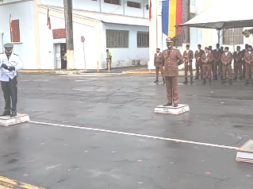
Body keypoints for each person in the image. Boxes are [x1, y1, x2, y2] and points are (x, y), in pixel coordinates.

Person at [0, 43, 23, 117]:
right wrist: (1, 65)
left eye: (10, 49)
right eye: (7, 49)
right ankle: (7, 110)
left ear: (12, 49)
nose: (8, 50)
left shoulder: (15, 57)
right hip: (3, 78)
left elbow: (21, 65)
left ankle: (13, 110)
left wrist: (14, 68)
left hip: (12, 78)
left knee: (13, 95)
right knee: (6, 95)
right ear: (5, 49)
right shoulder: (1, 56)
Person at [161, 37, 183, 107]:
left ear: (172, 43)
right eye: (167, 43)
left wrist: (176, 65)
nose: (168, 44)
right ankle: (169, 101)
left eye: (170, 43)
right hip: (167, 72)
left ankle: (175, 101)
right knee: (168, 88)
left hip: (174, 72)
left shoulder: (176, 51)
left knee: (175, 88)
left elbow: (181, 60)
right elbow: (162, 62)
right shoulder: (164, 52)